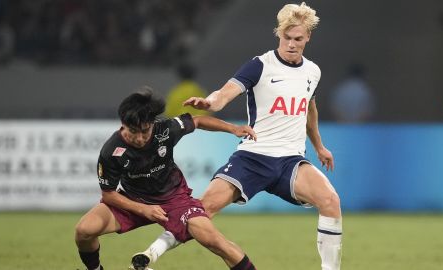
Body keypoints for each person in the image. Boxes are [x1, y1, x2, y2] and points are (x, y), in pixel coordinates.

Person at [137, 2, 342, 270]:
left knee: (330, 201)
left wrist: (319, 146)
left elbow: (309, 110)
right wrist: (209, 104)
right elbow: (224, 94)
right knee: (203, 209)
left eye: (298, 39)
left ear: (308, 38)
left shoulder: (312, 71)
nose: (292, 44)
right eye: (287, 38)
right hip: (253, 155)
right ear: (279, 35)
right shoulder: (259, 65)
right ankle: (149, 255)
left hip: (290, 161)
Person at [74, 87, 258, 270]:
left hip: (175, 199)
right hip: (133, 200)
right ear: (123, 123)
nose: (139, 138)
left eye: (145, 131)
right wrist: (144, 209)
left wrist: (233, 129)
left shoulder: (166, 130)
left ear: (152, 123)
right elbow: (108, 195)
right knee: (84, 231)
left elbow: (199, 121)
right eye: (133, 132)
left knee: (214, 241)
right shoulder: (111, 150)